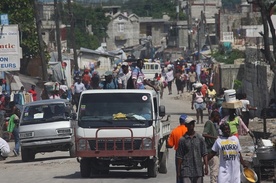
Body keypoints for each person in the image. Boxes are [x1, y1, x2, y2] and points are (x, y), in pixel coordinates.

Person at [176, 116, 208, 183]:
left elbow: (204, 153)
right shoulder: (182, 140)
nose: (192, 125)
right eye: (190, 124)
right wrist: (178, 171)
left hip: (198, 169)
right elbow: (179, 156)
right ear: (186, 125)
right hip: (186, 170)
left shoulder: (200, 138)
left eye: (193, 123)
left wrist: (206, 166)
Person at [167, 114, 188, 183]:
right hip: (188, 153)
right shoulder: (189, 130)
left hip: (178, 154)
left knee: (179, 172)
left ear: (180, 121)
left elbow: (170, 145)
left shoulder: (175, 131)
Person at [202, 111, 220, 183]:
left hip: (213, 152)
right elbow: (204, 134)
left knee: (215, 172)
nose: (218, 119)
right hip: (211, 152)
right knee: (214, 173)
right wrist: (214, 138)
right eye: (218, 117)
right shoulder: (209, 123)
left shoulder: (213, 125)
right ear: (215, 116)